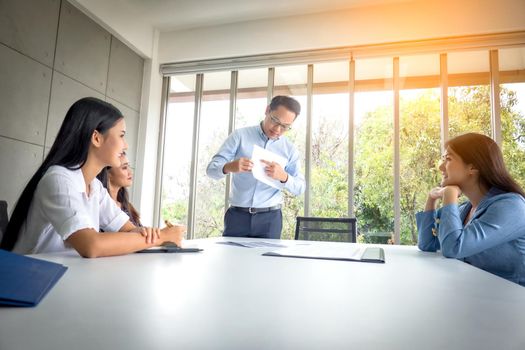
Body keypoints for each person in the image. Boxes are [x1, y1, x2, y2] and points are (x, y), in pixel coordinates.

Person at [0, 97, 185, 257]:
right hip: (30, 286)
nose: (125, 145)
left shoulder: (95, 187)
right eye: (121, 135)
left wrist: (152, 235)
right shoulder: (58, 180)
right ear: (96, 138)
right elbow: (91, 245)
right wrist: (162, 236)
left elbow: (129, 229)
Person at [416, 132, 525, 286]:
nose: (440, 167)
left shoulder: (511, 207)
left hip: (513, 303)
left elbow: (453, 248)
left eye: (448, 159)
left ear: (472, 167)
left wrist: (450, 194)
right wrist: (431, 200)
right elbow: (427, 245)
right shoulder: (464, 209)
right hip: (477, 295)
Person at [206, 95, 305, 239]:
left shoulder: (289, 149)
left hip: (270, 220)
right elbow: (211, 170)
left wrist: (284, 177)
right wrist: (229, 167)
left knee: (267, 262)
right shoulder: (240, 136)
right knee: (231, 260)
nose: (277, 129)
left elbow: (300, 188)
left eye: (285, 127)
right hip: (237, 217)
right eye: (275, 120)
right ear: (267, 110)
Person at [97, 154, 141, 227]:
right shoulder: (98, 205)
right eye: (124, 167)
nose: (130, 172)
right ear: (107, 173)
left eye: (129, 167)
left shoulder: (128, 207)